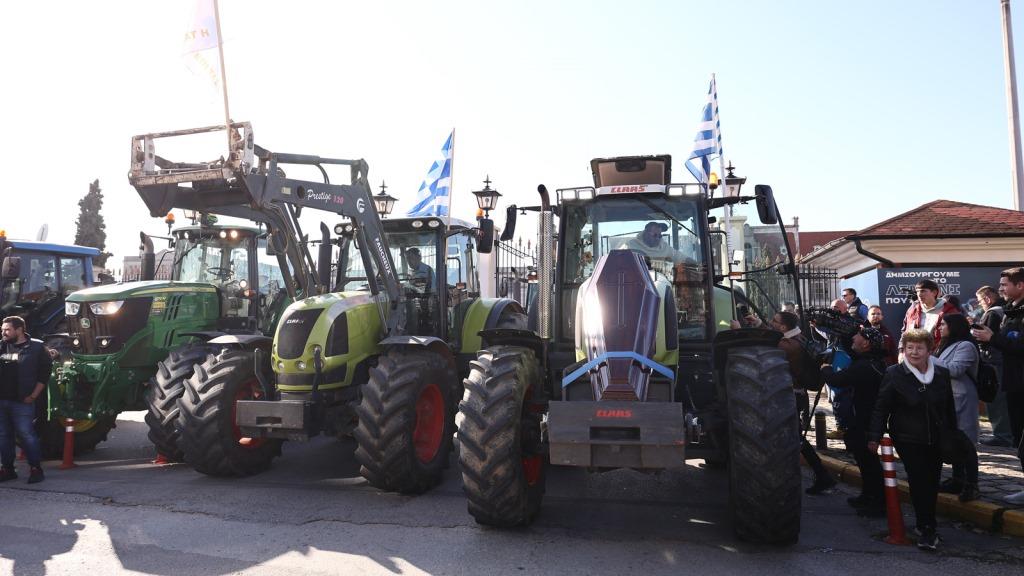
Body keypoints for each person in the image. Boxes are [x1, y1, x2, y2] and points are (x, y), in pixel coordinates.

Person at [868, 329, 958, 551]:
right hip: (907, 438)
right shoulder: (894, 373)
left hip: (936, 437)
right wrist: (874, 436)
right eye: (910, 348)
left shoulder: (941, 374)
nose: (914, 352)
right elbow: (881, 407)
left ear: (929, 350)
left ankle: (925, 523)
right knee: (919, 481)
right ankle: (927, 527)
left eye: (919, 348)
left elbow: (948, 408)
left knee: (932, 481)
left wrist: (953, 435)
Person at [820, 326, 887, 516]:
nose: (854, 338)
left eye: (858, 335)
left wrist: (825, 369)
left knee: (868, 462)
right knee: (865, 461)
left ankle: (877, 503)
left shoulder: (864, 366)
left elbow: (838, 380)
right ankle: (868, 495)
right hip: (865, 419)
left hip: (863, 421)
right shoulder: (873, 361)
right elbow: (851, 348)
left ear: (866, 343)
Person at [971, 267, 1024, 504]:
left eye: (1004, 285)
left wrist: (992, 338)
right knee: (1018, 437)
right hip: (1014, 383)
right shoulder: (1010, 311)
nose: (1000, 289)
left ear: (1020, 285)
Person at [770, 311, 836, 495]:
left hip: (792, 395)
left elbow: (766, 343)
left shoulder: (789, 345)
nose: (771, 323)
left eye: (774, 321)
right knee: (796, 436)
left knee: (795, 437)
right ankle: (822, 476)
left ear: (783, 327)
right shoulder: (798, 338)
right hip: (797, 394)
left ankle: (822, 476)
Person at [934, 313, 981, 502]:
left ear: (954, 326)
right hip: (948, 398)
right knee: (953, 439)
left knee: (966, 442)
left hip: (962, 398)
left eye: (943, 324)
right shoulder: (946, 344)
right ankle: (957, 479)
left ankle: (972, 484)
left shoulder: (966, 346)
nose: (940, 328)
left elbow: (955, 369)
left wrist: (929, 360)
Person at [0, 315, 53, 484]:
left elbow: (44, 374)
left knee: (26, 435)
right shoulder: (2, 346)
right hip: (2, 401)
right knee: (4, 436)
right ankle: (8, 469)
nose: (3, 333)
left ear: (19, 330)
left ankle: (36, 469)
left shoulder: (36, 347)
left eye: (7, 330)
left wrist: (33, 395)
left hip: (22, 402)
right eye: (2, 330)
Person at [975, 285, 1014, 447]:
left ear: (987, 298)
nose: (979, 304)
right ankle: (1009, 434)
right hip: (1006, 359)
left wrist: (974, 332)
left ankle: (1002, 435)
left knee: (996, 399)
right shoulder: (1007, 309)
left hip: (995, 361)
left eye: (980, 301)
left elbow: (985, 338)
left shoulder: (992, 313)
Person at [901, 279, 959, 345]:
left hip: (940, 350)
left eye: (923, 291)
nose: (919, 294)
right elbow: (904, 333)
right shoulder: (912, 310)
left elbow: (956, 335)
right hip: (915, 350)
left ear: (934, 292)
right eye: (917, 291)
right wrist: (901, 349)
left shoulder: (949, 311)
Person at [619, 221, 693, 264]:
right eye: (655, 235)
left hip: (661, 282)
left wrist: (697, 265)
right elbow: (616, 259)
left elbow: (681, 257)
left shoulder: (664, 247)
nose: (658, 238)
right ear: (646, 233)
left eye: (660, 236)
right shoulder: (630, 245)